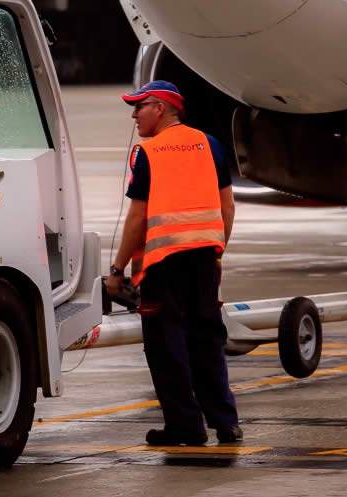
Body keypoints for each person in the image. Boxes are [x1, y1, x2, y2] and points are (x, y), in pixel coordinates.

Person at [106, 80, 242, 444]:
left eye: (140, 106)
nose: (134, 115)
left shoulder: (148, 153)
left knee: (167, 347)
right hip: (204, 261)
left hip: (163, 265)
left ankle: (185, 427)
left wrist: (117, 271)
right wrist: (216, 253)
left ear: (161, 108)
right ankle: (226, 422)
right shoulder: (209, 144)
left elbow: (138, 217)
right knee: (207, 340)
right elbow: (227, 207)